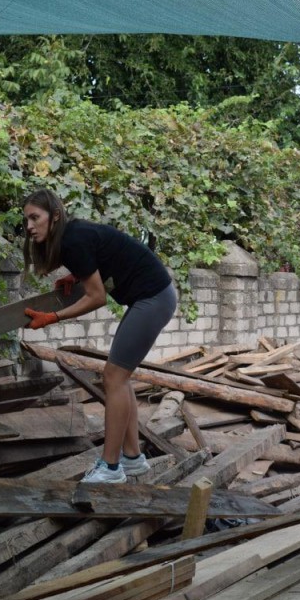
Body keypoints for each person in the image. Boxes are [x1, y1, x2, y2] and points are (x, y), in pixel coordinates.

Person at [21, 188, 177, 484]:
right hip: (153, 296)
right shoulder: (74, 234)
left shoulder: (72, 240)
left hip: (154, 298)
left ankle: (110, 467)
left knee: (113, 377)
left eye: (34, 217)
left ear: (54, 217)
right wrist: (76, 275)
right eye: (26, 220)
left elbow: (97, 298)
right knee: (120, 377)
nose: (29, 226)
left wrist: (52, 317)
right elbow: (102, 262)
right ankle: (132, 459)